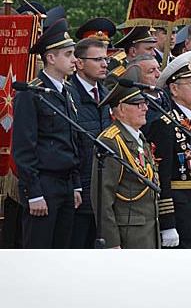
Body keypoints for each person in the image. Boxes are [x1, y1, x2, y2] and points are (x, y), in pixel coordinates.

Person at [12, 15, 82, 249]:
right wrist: (33, 192)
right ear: (50, 58)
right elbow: (23, 148)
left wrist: (76, 184)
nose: (75, 60)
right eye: (68, 54)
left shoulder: (67, 93)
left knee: (62, 250)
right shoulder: (31, 93)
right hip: (44, 183)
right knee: (39, 249)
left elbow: (72, 140)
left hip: (66, 184)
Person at [145, 52, 191, 249]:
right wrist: (168, 224)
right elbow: (162, 176)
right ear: (174, 89)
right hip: (180, 213)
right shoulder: (165, 125)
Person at [91, 81, 159, 249]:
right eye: (138, 104)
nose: (145, 108)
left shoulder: (138, 137)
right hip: (128, 233)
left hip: (148, 229)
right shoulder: (110, 141)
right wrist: (111, 241)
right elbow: (102, 197)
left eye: (145, 103)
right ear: (121, 108)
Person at [69, 31, 113, 248]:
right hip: (80, 192)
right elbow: (72, 146)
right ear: (79, 63)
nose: (104, 64)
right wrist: (77, 185)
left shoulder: (106, 95)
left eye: (106, 59)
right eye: (97, 59)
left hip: (104, 193)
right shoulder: (69, 95)